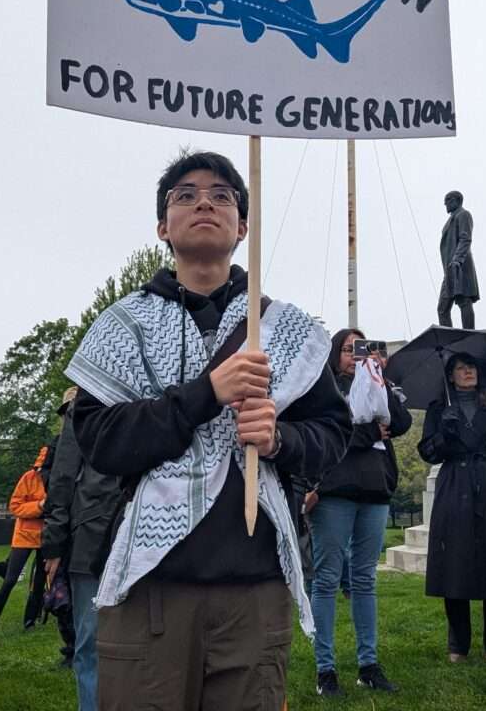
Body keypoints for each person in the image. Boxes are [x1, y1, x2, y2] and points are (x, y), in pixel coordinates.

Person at [67, 151, 352, 711]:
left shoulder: (285, 329)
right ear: (162, 226)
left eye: (223, 195)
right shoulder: (121, 323)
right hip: (151, 587)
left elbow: (331, 433)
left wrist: (279, 440)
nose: (205, 201)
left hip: (254, 584)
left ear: (243, 225)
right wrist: (205, 395)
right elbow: (101, 442)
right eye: (186, 194)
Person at [306, 329, 412, 697]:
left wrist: (379, 374)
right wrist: (368, 432)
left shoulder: (376, 381)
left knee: (365, 580)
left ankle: (369, 664)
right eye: (349, 350)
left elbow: (399, 423)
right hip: (336, 492)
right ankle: (326, 669)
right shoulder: (325, 389)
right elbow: (328, 435)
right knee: (327, 579)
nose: (356, 355)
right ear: (335, 354)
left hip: (375, 490)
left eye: (363, 349)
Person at [418, 353, 486, 665]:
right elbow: (427, 452)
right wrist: (444, 434)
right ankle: (458, 645)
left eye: (472, 367)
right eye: (460, 369)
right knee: (456, 564)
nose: (468, 372)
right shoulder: (440, 409)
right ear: (450, 376)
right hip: (454, 486)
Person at [42, 385, 120, 706]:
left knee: (97, 646)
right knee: (92, 646)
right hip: (94, 539)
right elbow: (62, 476)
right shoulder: (85, 402)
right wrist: (54, 544)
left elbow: (61, 478)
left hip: (124, 535)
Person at [0, 447, 50, 637]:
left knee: (39, 581)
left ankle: (29, 622)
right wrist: (39, 506)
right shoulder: (29, 477)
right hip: (24, 536)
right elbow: (15, 507)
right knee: (10, 581)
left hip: (47, 537)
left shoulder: (58, 480)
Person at [437, 191, 479, 329]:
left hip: (460, 265)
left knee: (464, 300)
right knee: (442, 308)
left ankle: (469, 334)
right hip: (449, 269)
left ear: (457, 200)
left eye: (447, 200)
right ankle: (449, 337)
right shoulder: (451, 219)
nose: (445, 204)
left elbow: (465, 238)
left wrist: (457, 260)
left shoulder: (463, 215)